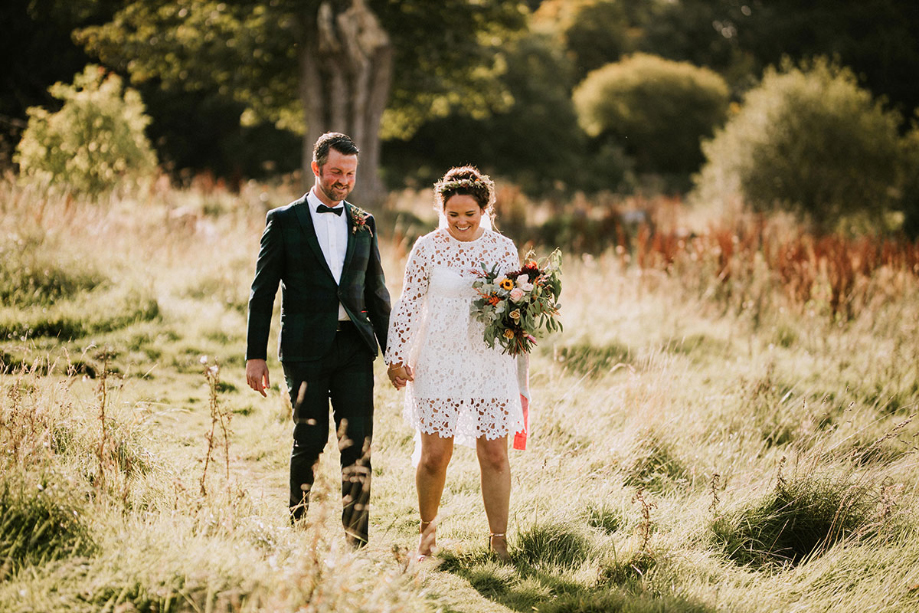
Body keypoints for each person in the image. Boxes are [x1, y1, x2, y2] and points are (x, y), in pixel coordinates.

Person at [245, 132, 391, 547]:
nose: (344, 180)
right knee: (309, 440)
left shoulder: (364, 222)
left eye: (350, 173)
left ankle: (356, 539)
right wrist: (256, 356)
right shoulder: (284, 220)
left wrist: (392, 352)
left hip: (354, 349)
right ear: (316, 169)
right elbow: (262, 292)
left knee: (358, 444)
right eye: (336, 172)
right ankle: (298, 528)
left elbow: (376, 292)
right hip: (305, 349)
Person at [385, 165, 524, 561]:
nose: (461, 222)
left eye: (469, 214)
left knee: (495, 454)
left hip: (488, 361)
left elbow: (515, 303)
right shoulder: (427, 247)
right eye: (453, 215)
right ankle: (426, 540)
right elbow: (409, 302)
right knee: (434, 456)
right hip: (438, 358)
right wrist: (396, 355)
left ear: (485, 210)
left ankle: (499, 543)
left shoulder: (503, 248)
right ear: (441, 210)